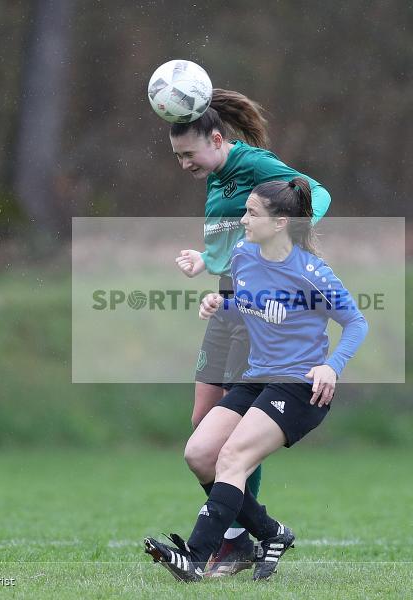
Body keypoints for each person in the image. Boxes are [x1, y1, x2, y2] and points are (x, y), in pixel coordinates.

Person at [144, 177, 368, 581]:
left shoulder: (311, 272)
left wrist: (332, 366)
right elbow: (250, 307)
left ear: (281, 223)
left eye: (252, 213)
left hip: (299, 387)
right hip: (256, 378)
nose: (244, 219)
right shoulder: (244, 256)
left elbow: (356, 322)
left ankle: (195, 558)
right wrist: (222, 304)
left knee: (232, 459)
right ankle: (271, 533)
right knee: (199, 455)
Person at [170, 88, 332, 576]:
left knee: (232, 440)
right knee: (203, 423)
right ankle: (249, 533)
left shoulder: (255, 164)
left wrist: (284, 245)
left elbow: (316, 194)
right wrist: (206, 260)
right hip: (227, 304)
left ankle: (233, 542)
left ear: (217, 139)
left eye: (189, 155)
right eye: (177, 157)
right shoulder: (214, 176)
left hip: (256, 313)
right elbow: (225, 243)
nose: (184, 165)